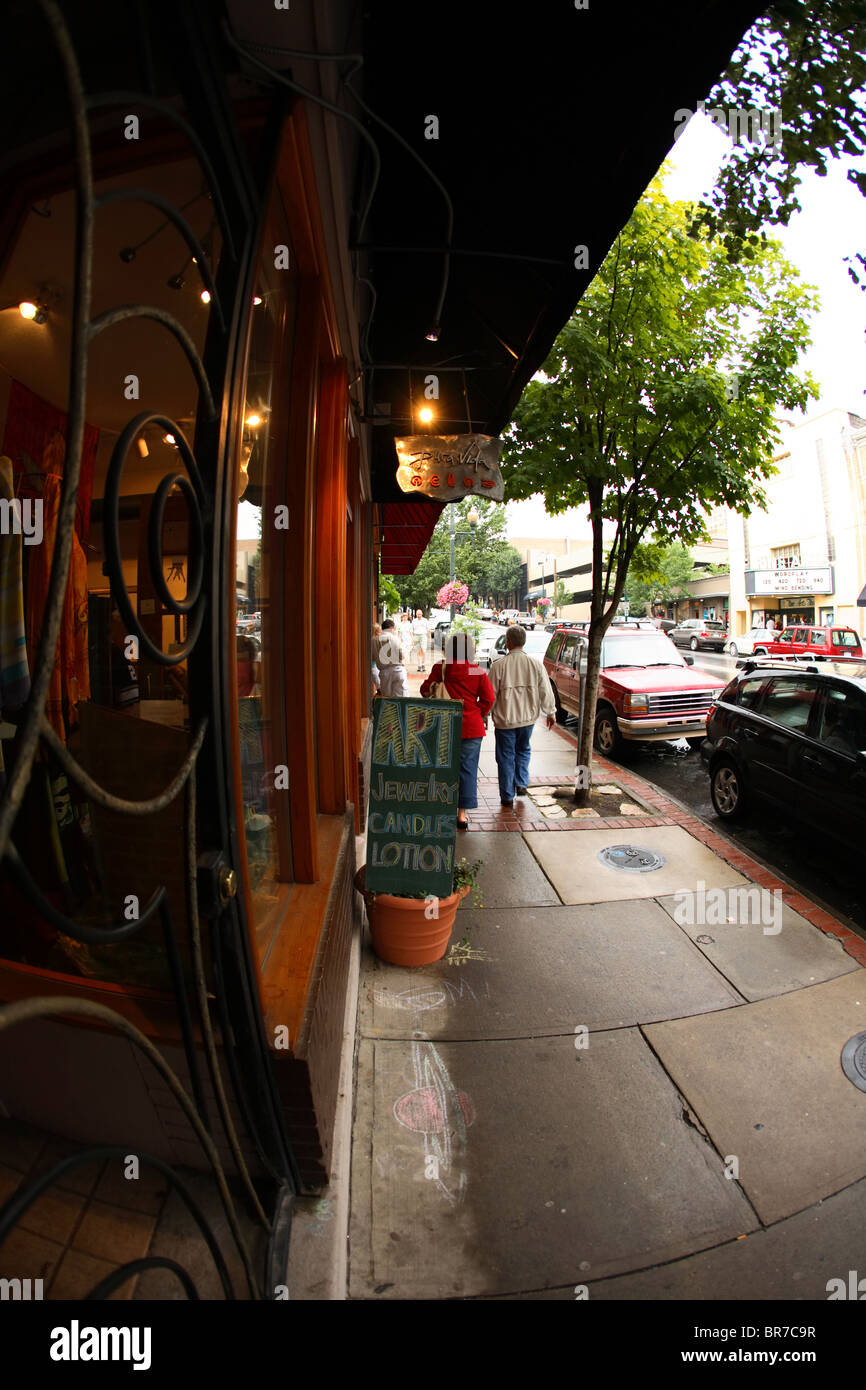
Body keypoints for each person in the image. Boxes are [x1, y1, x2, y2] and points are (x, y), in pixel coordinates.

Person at [421, 632, 494, 829]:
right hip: (471, 728)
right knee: (467, 770)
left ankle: (441, 806)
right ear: (470, 649)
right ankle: (461, 815)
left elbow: (424, 690)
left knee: (442, 768)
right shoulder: (477, 671)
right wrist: (478, 713)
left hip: (444, 725)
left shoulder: (441, 668)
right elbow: (489, 699)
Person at [489, 623, 556, 806]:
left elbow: (491, 695)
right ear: (523, 642)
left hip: (505, 720)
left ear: (508, 642)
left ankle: (507, 795)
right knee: (523, 749)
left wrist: (485, 715)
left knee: (505, 756)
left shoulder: (498, 666)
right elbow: (545, 690)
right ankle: (521, 782)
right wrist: (550, 712)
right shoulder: (535, 664)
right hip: (528, 719)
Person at [374, 619, 408, 696]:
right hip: (397, 670)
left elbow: (372, 657)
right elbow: (402, 655)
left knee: (387, 699)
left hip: (384, 672)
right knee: (400, 699)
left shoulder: (374, 640)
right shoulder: (395, 638)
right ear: (392, 628)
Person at [411, 608, 430, 673]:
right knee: (418, 652)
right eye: (418, 614)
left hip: (423, 636)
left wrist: (430, 638)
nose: (419, 615)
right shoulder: (414, 621)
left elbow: (428, 629)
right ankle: (419, 665)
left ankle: (423, 664)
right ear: (416, 614)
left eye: (420, 613)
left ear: (422, 614)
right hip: (416, 636)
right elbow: (412, 630)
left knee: (424, 651)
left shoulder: (425, 620)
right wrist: (412, 639)